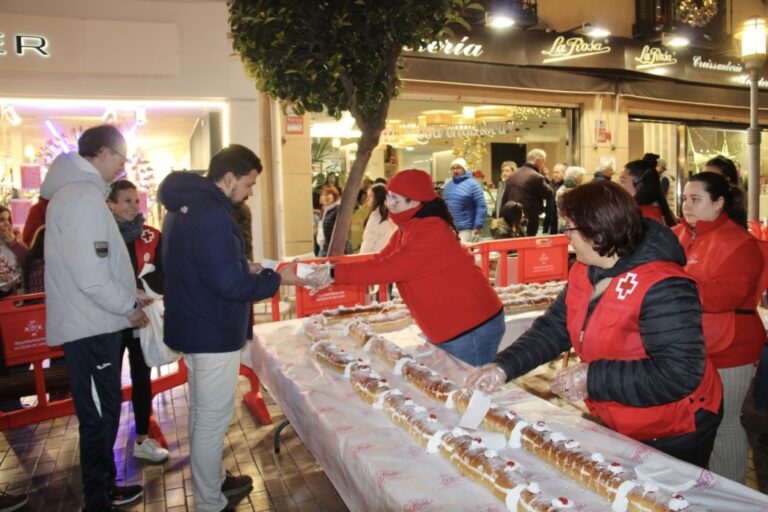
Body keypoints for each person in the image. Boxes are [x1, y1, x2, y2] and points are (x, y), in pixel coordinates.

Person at [467, 180, 723, 467]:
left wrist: (593, 378)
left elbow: (678, 374)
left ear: (599, 233)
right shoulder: (586, 269)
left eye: (570, 228)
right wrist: (504, 366)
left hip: (675, 423)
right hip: (622, 414)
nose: (566, 237)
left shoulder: (665, 286)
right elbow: (554, 329)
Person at [157, 144, 305, 512]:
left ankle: (214, 480)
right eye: (249, 184)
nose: (250, 192)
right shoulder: (212, 215)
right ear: (228, 178)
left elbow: (205, 267)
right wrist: (275, 278)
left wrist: (242, 267)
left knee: (202, 414)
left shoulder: (183, 207)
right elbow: (229, 286)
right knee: (211, 419)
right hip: (211, 328)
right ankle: (209, 501)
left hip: (196, 323)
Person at [41, 124, 147, 511]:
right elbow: (91, 275)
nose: (122, 167)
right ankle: (97, 497)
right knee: (100, 415)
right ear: (103, 153)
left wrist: (129, 293)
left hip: (93, 321)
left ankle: (103, 488)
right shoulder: (82, 197)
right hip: (91, 325)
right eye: (120, 158)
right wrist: (128, 306)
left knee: (103, 411)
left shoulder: (77, 195)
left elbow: (91, 266)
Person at [310, 169, 504, 366]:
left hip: (471, 325)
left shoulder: (430, 231)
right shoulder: (408, 230)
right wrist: (329, 271)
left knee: (468, 389)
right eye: (389, 198)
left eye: (396, 200)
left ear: (415, 202)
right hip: (453, 326)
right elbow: (378, 260)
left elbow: (387, 268)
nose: (390, 205)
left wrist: (332, 274)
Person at [674, 172, 767, 483]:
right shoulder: (679, 235)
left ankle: (729, 494)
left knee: (724, 421)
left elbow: (729, 294)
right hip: (690, 343)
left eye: (696, 199)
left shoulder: (741, 243)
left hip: (730, 346)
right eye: (685, 198)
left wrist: (676, 288)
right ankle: (703, 486)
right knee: (694, 419)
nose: (687, 205)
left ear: (719, 202)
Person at [106, 180, 170, 464]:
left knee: (142, 377)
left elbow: (166, 272)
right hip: (109, 321)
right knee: (107, 384)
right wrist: (129, 293)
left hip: (142, 319)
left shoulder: (151, 236)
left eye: (136, 200)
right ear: (111, 204)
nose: (133, 206)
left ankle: (143, 437)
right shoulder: (101, 236)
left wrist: (145, 288)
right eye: (126, 201)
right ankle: (104, 445)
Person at [501, 148, 553, 236]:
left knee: (514, 243)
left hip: (510, 216)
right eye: (543, 161)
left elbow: (505, 196)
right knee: (528, 243)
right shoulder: (536, 176)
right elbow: (549, 194)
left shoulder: (514, 174)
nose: (543, 165)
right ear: (537, 161)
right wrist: (546, 177)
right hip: (528, 217)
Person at [618, 159, 677, 227]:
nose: (618, 184)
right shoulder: (657, 211)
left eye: (622, 181)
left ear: (640, 185)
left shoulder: (642, 217)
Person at [443, 157, 487, 243]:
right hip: (450, 228)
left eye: (458, 168)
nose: (455, 170)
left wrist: (478, 225)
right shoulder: (448, 185)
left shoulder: (473, 184)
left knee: (462, 253)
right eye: (453, 168)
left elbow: (481, 206)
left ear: (464, 169)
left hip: (466, 229)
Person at [703, 155, 747, 229]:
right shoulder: (705, 195)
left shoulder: (733, 199)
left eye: (712, 177)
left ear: (727, 179)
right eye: (703, 176)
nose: (706, 180)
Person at [0, 206, 28, 298]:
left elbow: (28, 260)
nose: (7, 223)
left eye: (8, 219)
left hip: (17, 294)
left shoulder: (15, 239)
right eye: (2, 220)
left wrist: (14, 243)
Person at [359, 183, 395, 254]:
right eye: (367, 196)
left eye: (371, 196)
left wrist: (359, 260)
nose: (367, 199)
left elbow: (368, 243)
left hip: (376, 258)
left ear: (379, 197)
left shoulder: (376, 216)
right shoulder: (391, 214)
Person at [318, 185, 351, 256]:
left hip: (334, 250)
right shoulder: (326, 210)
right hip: (324, 248)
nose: (325, 197)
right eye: (323, 195)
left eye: (328, 194)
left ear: (335, 195)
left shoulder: (338, 209)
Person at [542, 162, 565, 235]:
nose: (555, 174)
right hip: (550, 219)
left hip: (559, 220)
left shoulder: (565, 187)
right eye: (554, 172)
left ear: (564, 173)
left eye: (557, 172)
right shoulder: (552, 184)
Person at [349, 187, 370, 253]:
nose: (366, 201)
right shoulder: (357, 212)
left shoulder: (366, 210)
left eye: (367, 198)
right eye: (363, 200)